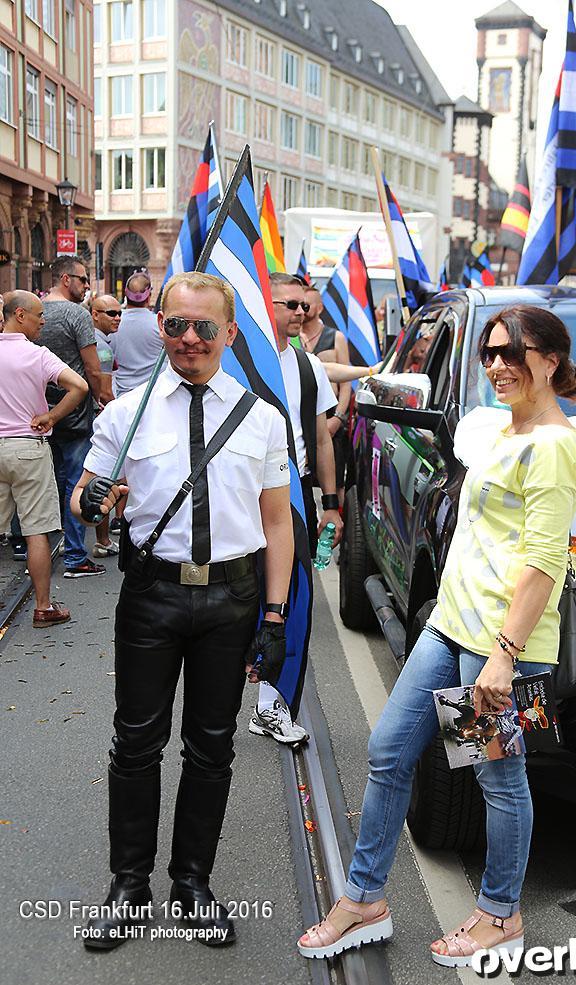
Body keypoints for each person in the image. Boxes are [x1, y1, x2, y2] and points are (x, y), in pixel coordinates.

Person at [297, 304, 576, 966]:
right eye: (488, 353)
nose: (495, 365)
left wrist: (502, 660)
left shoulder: (553, 446)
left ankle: (498, 913)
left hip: (498, 646)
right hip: (449, 624)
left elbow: (543, 561)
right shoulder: (504, 431)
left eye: (510, 353)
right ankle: (364, 898)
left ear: (548, 360)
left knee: (495, 776)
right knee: (387, 749)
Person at [71, 271, 294, 951]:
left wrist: (276, 619)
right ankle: (128, 884)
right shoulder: (126, 412)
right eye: (176, 325)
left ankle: (192, 883)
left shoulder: (261, 418)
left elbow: (277, 523)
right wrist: (93, 500)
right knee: (135, 743)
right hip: (151, 597)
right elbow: (87, 492)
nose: (189, 339)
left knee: (212, 747)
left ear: (229, 333)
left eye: (204, 327)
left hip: (230, 600)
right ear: (159, 326)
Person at [248, 272, 343, 747]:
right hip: (239, 497)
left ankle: (272, 704)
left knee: (293, 602)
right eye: (289, 304)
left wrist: (330, 503)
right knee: (237, 604)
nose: (300, 313)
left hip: (294, 499)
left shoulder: (308, 367)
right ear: (263, 305)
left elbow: (322, 438)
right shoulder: (235, 363)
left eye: (303, 306)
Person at [0, 291, 88, 627]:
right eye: (38, 315)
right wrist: (51, 416)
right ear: (19, 315)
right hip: (27, 448)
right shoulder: (37, 355)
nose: (43, 321)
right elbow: (78, 386)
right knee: (37, 530)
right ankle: (43, 606)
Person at [37, 255, 105, 578]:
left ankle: (34, 549)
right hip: (75, 412)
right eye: (82, 279)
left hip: (39, 412)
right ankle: (76, 556)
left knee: (46, 482)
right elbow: (92, 367)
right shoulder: (77, 315)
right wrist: (105, 398)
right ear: (65, 279)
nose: (87, 285)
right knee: (76, 483)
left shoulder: (33, 312)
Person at [300, 284, 351, 503]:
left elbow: (346, 381)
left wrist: (338, 418)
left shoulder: (335, 337)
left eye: (306, 304)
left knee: (335, 478)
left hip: (330, 413)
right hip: (304, 412)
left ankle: (333, 519)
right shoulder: (293, 338)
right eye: (298, 304)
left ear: (319, 307)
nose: (302, 310)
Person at [90, 295, 122, 558]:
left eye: (118, 313)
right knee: (104, 481)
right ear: (94, 314)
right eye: (110, 313)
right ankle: (102, 540)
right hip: (99, 419)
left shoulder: (95, 341)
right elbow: (105, 393)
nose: (117, 318)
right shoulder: (102, 348)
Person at [110, 270, 163, 397]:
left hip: (122, 394)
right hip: (151, 395)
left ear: (126, 295)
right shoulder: (160, 325)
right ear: (149, 296)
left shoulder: (112, 325)